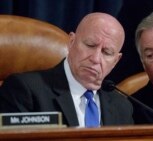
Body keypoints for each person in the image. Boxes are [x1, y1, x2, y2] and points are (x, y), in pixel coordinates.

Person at [0, 12, 133, 127]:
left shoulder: (122, 107)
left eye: (107, 52)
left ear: (116, 61)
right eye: (90, 45)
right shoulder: (26, 90)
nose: (96, 58)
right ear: (71, 42)